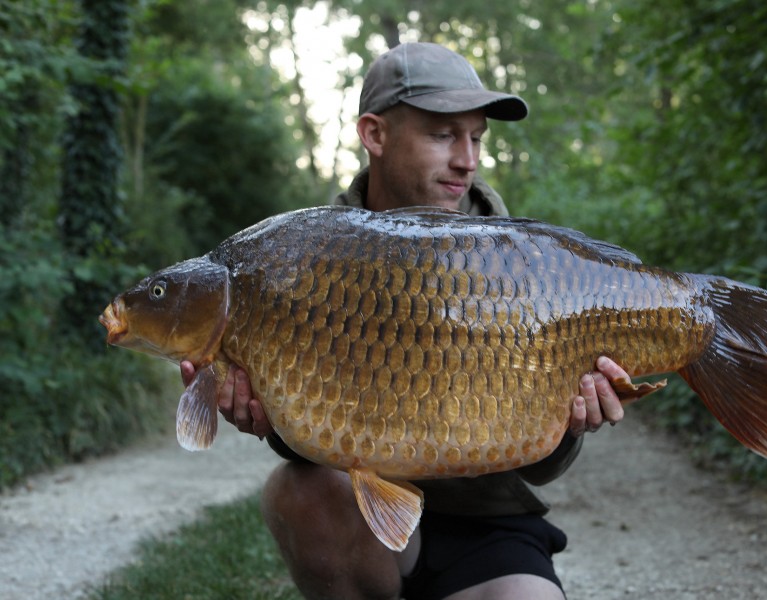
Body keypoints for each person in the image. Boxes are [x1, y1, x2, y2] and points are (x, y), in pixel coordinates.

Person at [181, 42, 630, 600]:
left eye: (477, 138)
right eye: (444, 135)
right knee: (299, 491)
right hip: (367, 526)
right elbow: (317, 442)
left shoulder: (521, 269)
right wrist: (268, 419)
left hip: (485, 523)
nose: (467, 159)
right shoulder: (309, 259)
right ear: (375, 135)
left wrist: (574, 423)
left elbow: (541, 470)